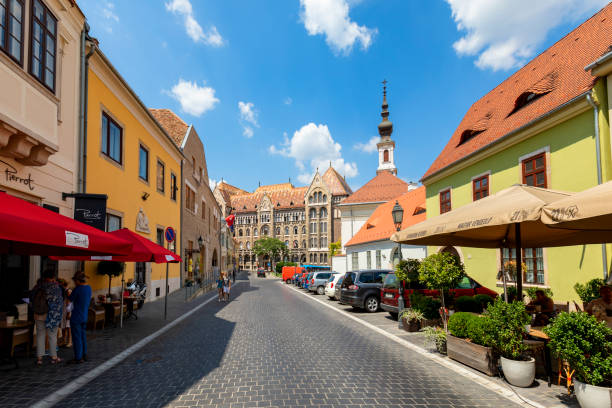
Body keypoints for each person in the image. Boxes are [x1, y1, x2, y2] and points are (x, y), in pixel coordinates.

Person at [31, 269, 64, 365]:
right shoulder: (56, 287)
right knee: (52, 336)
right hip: (51, 315)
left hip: (38, 314)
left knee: (40, 335)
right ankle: (54, 357)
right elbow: (59, 302)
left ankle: (39, 358)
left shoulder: (37, 286)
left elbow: (31, 299)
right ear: (53, 277)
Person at [68, 272, 92, 364]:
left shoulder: (77, 289)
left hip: (76, 317)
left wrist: (67, 293)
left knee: (77, 338)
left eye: (75, 280)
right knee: (83, 336)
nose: (74, 282)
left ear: (78, 280)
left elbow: (70, 299)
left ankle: (78, 357)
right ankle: (84, 354)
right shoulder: (89, 288)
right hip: (84, 315)